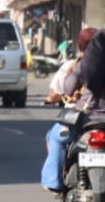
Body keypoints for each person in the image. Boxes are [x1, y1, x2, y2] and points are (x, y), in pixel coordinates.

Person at [48, 28, 105, 195]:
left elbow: (68, 89)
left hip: (83, 120)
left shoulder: (83, 65)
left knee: (56, 138)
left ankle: (53, 182)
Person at [39, 26, 98, 191]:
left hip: (78, 117)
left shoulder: (75, 65)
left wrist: (56, 98)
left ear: (80, 46)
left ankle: (53, 181)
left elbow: (61, 91)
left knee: (55, 137)